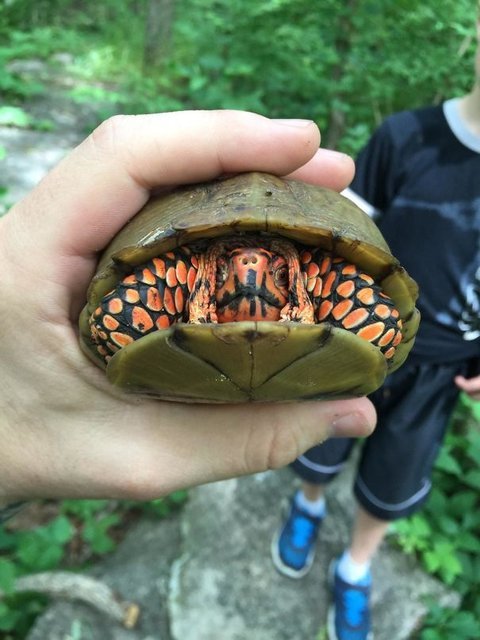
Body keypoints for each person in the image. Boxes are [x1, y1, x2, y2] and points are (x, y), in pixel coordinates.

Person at [0, 110, 377, 524]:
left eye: (279, 273)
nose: (249, 275)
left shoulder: (326, 275)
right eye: (226, 268)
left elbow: (375, 309)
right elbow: (117, 314)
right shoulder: (175, 276)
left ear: (298, 277)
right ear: (207, 272)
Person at [272, 20, 480, 640]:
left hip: (445, 366)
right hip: (356, 339)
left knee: (395, 476)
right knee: (320, 441)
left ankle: (356, 566)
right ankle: (308, 505)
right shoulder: (406, 137)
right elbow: (343, 239)